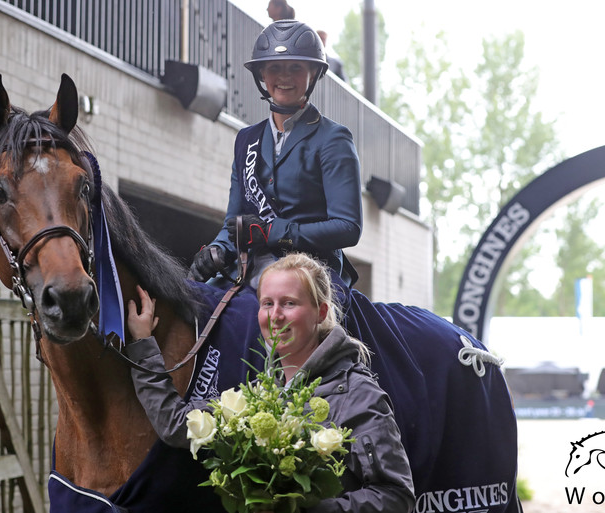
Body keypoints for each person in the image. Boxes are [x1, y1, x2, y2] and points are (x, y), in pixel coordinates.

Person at [126, 253, 415, 512]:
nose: (275, 316)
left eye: (289, 303)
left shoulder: (358, 394)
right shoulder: (258, 395)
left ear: (321, 313)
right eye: (267, 304)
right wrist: (142, 344)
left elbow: (396, 496)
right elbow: (176, 425)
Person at [188, 20, 362, 288]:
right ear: (262, 75)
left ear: (313, 73)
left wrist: (273, 232)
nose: (284, 77)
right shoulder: (246, 140)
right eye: (275, 68)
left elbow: (348, 227)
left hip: (313, 272)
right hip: (251, 268)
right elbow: (233, 223)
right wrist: (218, 251)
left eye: (295, 67)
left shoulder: (333, 138)